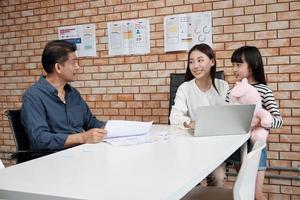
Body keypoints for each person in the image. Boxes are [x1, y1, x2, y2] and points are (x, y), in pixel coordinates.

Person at [21, 40, 107, 151]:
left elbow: (91, 122)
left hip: (80, 153)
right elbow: (40, 139)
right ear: (58, 68)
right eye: (73, 62)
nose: (77, 67)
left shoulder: (73, 94)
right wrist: (82, 137)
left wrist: (116, 128)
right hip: (52, 159)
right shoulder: (33, 96)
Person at [226, 46, 283, 200]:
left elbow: (278, 120)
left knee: (257, 195)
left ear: (253, 64)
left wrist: (260, 121)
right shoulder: (232, 91)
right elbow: (225, 116)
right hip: (237, 146)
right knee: (245, 193)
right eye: (233, 65)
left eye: (238, 65)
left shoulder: (264, 90)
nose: (234, 69)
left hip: (255, 149)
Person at [169, 43, 229, 187]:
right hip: (191, 146)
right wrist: (191, 123)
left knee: (219, 178)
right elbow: (174, 117)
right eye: (191, 61)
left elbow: (228, 116)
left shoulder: (222, 86)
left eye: (200, 60)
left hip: (215, 147)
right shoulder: (185, 88)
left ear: (212, 62)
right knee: (189, 182)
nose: (195, 65)